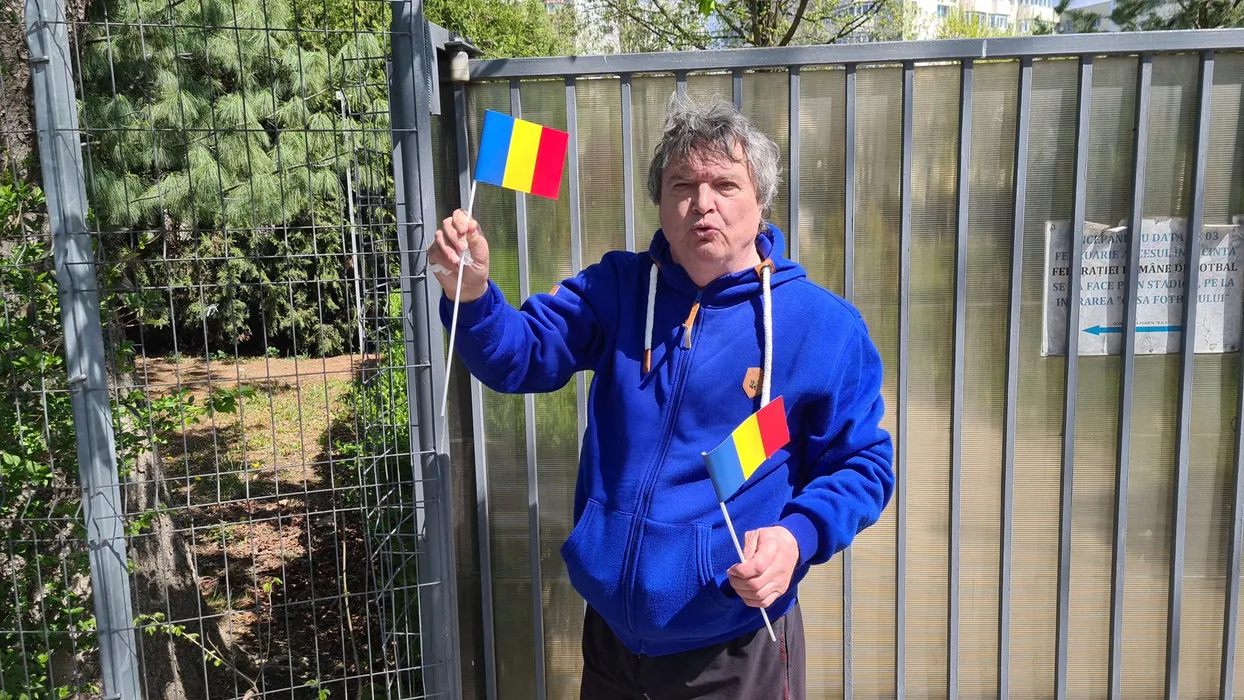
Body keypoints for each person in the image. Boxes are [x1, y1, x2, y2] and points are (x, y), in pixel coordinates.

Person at [428, 92, 894, 699]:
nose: (702, 203)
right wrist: (471, 296)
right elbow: (518, 357)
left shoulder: (822, 328)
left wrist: (795, 537)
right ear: (659, 200)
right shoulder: (618, 288)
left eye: (725, 184)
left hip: (733, 641)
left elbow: (863, 465)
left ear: (760, 199)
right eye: (682, 185)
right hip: (612, 641)